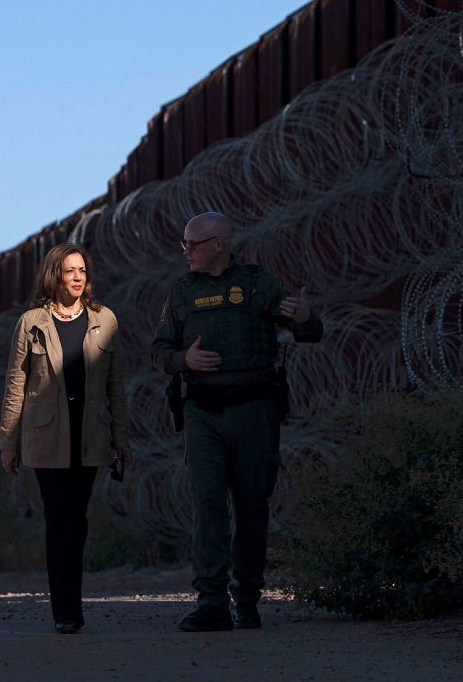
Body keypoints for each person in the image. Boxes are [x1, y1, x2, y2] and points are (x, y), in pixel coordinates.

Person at [152, 212, 322, 632]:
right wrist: (183, 360)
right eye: (184, 245)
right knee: (208, 507)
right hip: (203, 412)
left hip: (254, 411)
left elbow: (309, 331)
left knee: (251, 507)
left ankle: (247, 599)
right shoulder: (182, 293)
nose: (186, 252)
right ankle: (211, 602)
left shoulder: (257, 284)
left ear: (218, 244)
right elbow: (159, 350)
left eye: (192, 245)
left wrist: (303, 318)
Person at [0, 243, 130, 634]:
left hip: (90, 434)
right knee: (59, 521)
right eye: (70, 270)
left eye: (82, 271)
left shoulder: (105, 320)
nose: (77, 277)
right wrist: (9, 442)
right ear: (54, 274)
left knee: (79, 521)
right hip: (46, 435)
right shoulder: (31, 322)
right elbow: (15, 384)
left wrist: (121, 438)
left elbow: (115, 385)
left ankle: (72, 602)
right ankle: (66, 612)